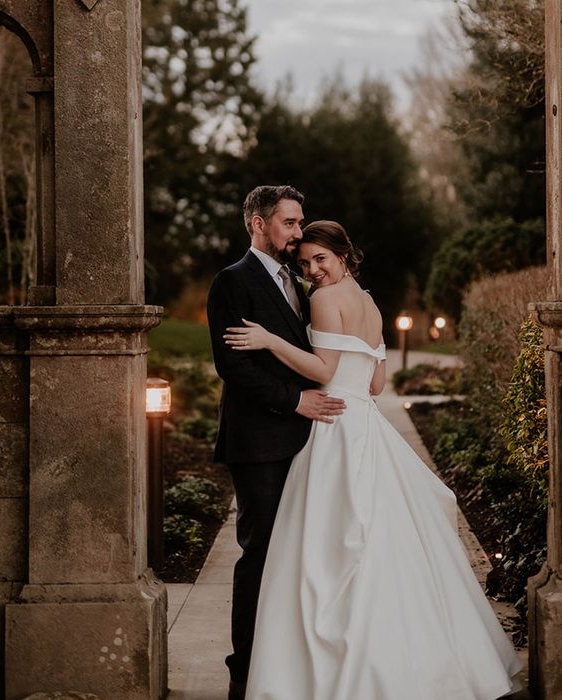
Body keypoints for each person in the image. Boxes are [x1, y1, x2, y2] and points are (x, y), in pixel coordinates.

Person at [223, 220, 523, 700]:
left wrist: (270, 341)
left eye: (321, 259)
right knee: (384, 544)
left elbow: (324, 370)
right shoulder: (370, 303)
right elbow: (377, 385)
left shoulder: (323, 300)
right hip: (365, 422)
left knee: (325, 548)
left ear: (345, 255)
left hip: (334, 428)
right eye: (304, 264)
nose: (313, 271)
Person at [207, 187, 347, 700]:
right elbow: (233, 367)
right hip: (260, 443)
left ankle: (290, 667)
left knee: (300, 557)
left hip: (307, 443)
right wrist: (295, 402)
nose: (296, 233)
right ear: (258, 224)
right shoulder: (232, 282)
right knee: (260, 556)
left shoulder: (301, 283)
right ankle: (244, 674)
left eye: (299, 222)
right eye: (289, 223)